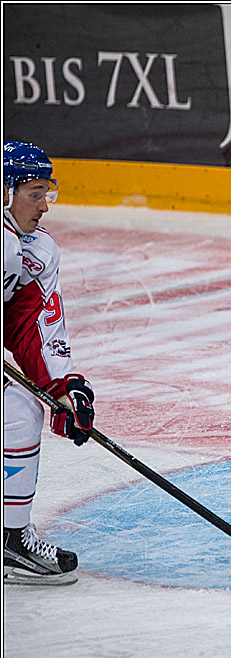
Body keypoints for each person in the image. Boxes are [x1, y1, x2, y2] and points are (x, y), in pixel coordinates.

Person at [3, 141, 96, 585]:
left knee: (21, 409)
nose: (44, 207)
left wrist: (61, 387)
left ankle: (11, 540)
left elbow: (27, 324)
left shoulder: (36, 250)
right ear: (6, 191)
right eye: (34, 193)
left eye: (48, 193)